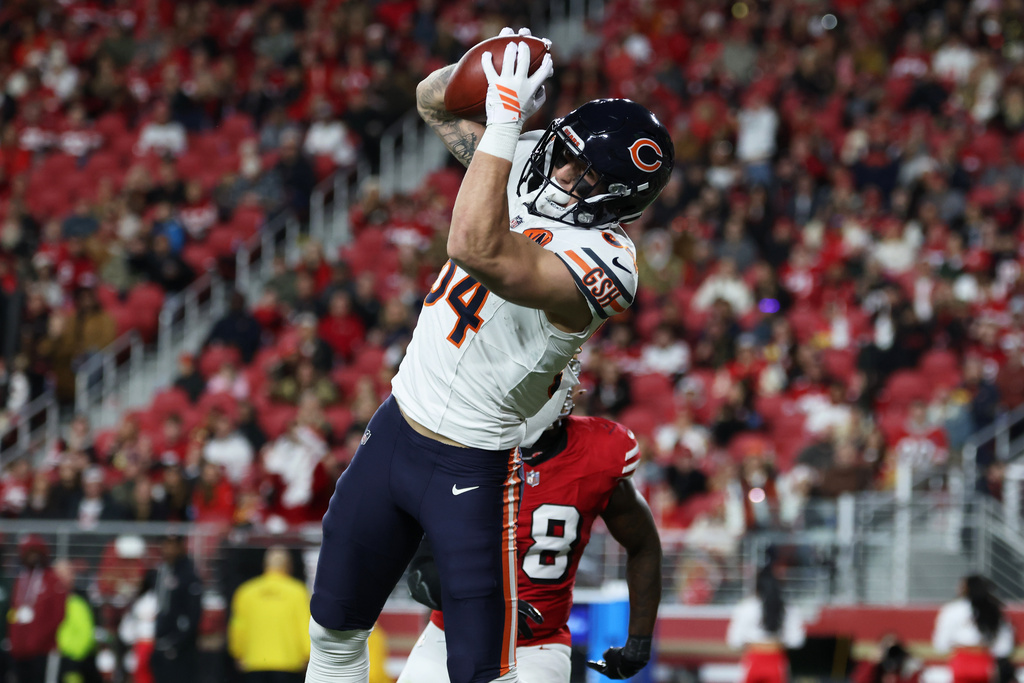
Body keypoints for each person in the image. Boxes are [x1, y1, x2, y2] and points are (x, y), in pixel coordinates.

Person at [306, 24, 672, 683]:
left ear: (620, 201)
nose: (562, 172)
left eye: (586, 174)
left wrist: (504, 118)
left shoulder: (605, 265)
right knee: (332, 631)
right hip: (395, 427)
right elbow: (432, 100)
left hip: (474, 461)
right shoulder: (527, 157)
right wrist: (495, 65)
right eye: (567, 153)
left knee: (480, 673)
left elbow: (476, 248)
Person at [397, 380, 662, 683]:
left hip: (538, 647)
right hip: (451, 634)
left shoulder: (596, 455)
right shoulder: (467, 443)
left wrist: (639, 643)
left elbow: (644, 545)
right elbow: (421, 573)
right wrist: (490, 603)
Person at [228, 547, 311, 682]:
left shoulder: (245, 592)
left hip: (253, 662)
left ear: (264, 565)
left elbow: (238, 626)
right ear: (289, 566)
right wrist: (307, 655)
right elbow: (304, 626)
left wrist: (237, 653)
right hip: (289, 662)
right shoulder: (298, 592)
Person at [726, 563, 806, 683]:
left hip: (753, 660)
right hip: (777, 660)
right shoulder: (788, 609)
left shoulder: (746, 607)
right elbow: (796, 640)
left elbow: (734, 641)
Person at [932, 575, 1014, 683]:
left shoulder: (952, 609)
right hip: (985, 661)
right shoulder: (994, 610)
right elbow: (1004, 646)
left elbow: (941, 643)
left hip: (961, 660)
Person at [8, 535, 67, 683]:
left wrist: (39, 639)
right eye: (28, 552)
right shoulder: (20, 580)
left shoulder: (52, 580)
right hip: (20, 651)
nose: (32, 557)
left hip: (43, 651)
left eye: (35, 552)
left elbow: (58, 615)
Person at [150, 535, 202, 683]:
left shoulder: (188, 575)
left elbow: (193, 615)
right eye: (165, 544)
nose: (167, 549)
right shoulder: (162, 571)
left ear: (181, 547)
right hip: (160, 642)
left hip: (181, 649)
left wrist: (176, 641)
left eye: (171, 545)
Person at [53, 559, 100, 683]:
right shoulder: (48, 601)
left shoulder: (78, 602)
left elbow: (86, 634)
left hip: (73, 661)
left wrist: (73, 658)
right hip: (54, 658)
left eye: (67, 574)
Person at [119, 570, 159, 683]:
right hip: (145, 644)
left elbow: (126, 631)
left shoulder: (142, 601)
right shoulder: (148, 600)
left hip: (144, 644)